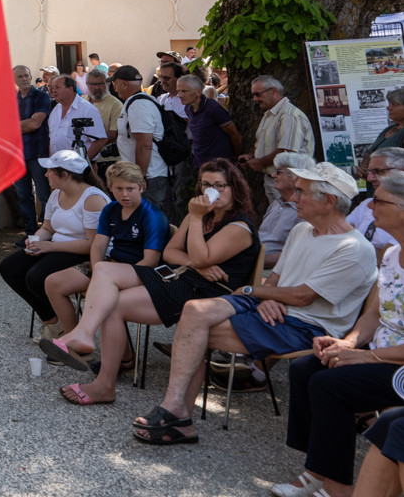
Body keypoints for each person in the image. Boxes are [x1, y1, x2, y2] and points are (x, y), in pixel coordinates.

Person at [129, 159, 376, 446]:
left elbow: (303, 296)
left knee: (193, 329)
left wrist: (253, 292)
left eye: (301, 192)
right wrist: (263, 296)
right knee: (194, 310)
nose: (293, 197)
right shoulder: (302, 231)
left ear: (329, 201)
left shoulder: (354, 248)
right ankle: (176, 410)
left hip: (307, 325)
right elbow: (276, 280)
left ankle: (177, 415)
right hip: (275, 309)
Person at [46, 158, 259, 406]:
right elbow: (172, 253)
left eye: (220, 185)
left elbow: (200, 257)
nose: (211, 191)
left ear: (235, 188)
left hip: (209, 293)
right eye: (205, 185)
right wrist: (195, 263)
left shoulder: (239, 227)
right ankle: (97, 366)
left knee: (110, 294)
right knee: (106, 282)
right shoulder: (199, 216)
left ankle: (90, 350)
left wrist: (196, 223)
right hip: (182, 277)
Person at [277, 169, 404, 497]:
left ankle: (335, 486)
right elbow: (374, 313)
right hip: (381, 355)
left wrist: (365, 357)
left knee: (331, 384)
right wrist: (346, 343)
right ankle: (319, 471)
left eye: (378, 200)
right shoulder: (392, 255)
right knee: (307, 367)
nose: (369, 206)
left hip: (399, 365)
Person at [42, 161, 167, 342]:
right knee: (54, 283)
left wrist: (106, 276)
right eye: (119, 189)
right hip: (109, 266)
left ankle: (82, 339)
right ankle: (72, 340)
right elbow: (98, 245)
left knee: (107, 293)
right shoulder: (110, 209)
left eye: (130, 189)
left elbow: (150, 261)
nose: (124, 194)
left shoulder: (152, 215)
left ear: (142, 187)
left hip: (139, 270)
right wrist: (97, 271)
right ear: (109, 187)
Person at [0, 150, 108, 330]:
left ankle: (64, 325)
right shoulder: (56, 193)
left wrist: (50, 246)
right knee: (9, 267)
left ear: (64, 175)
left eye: (50, 171)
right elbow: (48, 228)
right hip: (56, 247)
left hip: (83, 252)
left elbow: (93, 244)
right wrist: (35, 240)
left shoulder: (92, 199)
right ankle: (52, 319)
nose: (45, 174)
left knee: (36, 277)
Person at [240, 75, 317, 206]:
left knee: (289, 216)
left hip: (290, 182)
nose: (254, 99)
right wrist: (251, 155)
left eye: (257, 94)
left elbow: (286, 152)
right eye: (253, 95)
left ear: (274, 91)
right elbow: (264, 142)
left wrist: (259, 162)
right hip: (276, 180)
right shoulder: (270, 113)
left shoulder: (288, 115)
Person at [109, 65, 174, 216]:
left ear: (124, 83)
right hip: (147, 176)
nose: (114, 89)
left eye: (115, 84)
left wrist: (139, 177)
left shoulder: (138, 105)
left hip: (150, 177)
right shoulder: (137, 102)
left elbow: (144, 144)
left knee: (152, 221)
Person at [14, 64, 54, 240]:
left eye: (26, 75)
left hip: (38, 153)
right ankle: (30, 233)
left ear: (31, 77)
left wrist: (8, 126)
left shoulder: (41, 96)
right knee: (24, 196)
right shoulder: (12, 100)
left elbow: (34, 123)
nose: (24, 79)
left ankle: (45, 233)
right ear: (14, 80)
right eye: (20, 76)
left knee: (44, 196)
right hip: (18, 156)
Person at [177, 74, 242, 165]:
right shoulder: (188, 108)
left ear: (198, 92)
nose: (180, 95)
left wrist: (235, 159)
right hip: (200, 164)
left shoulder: (212, 108)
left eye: (184, 91)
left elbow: (235, 136)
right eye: (178, 91)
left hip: (219, 165)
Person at [353, 147, 404, 262]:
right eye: (369, 172)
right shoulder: (366, 204)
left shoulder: (398, 209)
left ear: (402, 171)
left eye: (378, 172)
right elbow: (339, 234)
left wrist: (355, 245)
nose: (369, 178)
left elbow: (386, 260)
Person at [47, 74, 110, 160]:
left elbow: (100, 140)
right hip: (57, 164)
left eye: (57, 87)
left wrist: (82, 162)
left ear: (70, 89)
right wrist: (51, 162)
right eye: (52, 87)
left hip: (78, 166)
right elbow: (53, 139)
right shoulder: (56, 109)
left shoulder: (87, 109)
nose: (53, 91)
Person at [260, 159, 304, 268]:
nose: (273, 175)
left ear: (295, 177)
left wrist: (256, 261)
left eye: (278, 172)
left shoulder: (303, 211)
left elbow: (296, 255)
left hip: (274, 268)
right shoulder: (276, 203)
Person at [359, 89, 404, 177]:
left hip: (394, 184)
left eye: (394, 104)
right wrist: (365, 169)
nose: (388, 108)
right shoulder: (389, 129)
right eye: (389, 104)